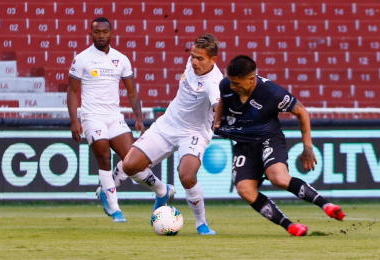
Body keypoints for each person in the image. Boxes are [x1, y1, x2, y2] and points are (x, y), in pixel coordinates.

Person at [214, 55, 346, 236]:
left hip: (268, 138)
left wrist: (307, 147)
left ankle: (327, 205)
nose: (232, 86)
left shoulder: (272, 93)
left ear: (251, 79)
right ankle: (290, 226)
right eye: (230, 81)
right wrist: (217, 122)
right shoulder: (226, 85)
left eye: (236, 82)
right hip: (244, 143)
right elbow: (223, 99)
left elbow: (301, 111)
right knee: (244, 189)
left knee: (278, 178)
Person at [67, 17, 175, 223]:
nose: (101, 35)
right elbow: (72, 91)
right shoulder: (81, 59)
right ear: (90, 33)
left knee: (133, 162)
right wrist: (74, 121)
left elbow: (132, 93)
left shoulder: (121, 59)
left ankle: (162, 190)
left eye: (104, 32)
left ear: (111, 33)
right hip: (92, 117)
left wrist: (139, 119)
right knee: (105, 159)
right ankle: (115, 209)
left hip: (114, 117)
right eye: (97, 31)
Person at [122, 33, 223, 235]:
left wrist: (219, 121)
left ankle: (201, 223)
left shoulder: (214, 83)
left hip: (194, 132)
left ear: (214, 60)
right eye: (192, 56)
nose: (194, 62)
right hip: (168, 123)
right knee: (130, 166)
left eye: (200, 58)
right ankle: (162, 190)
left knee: (186, 176)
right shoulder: (193, 62)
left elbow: (218, 104)